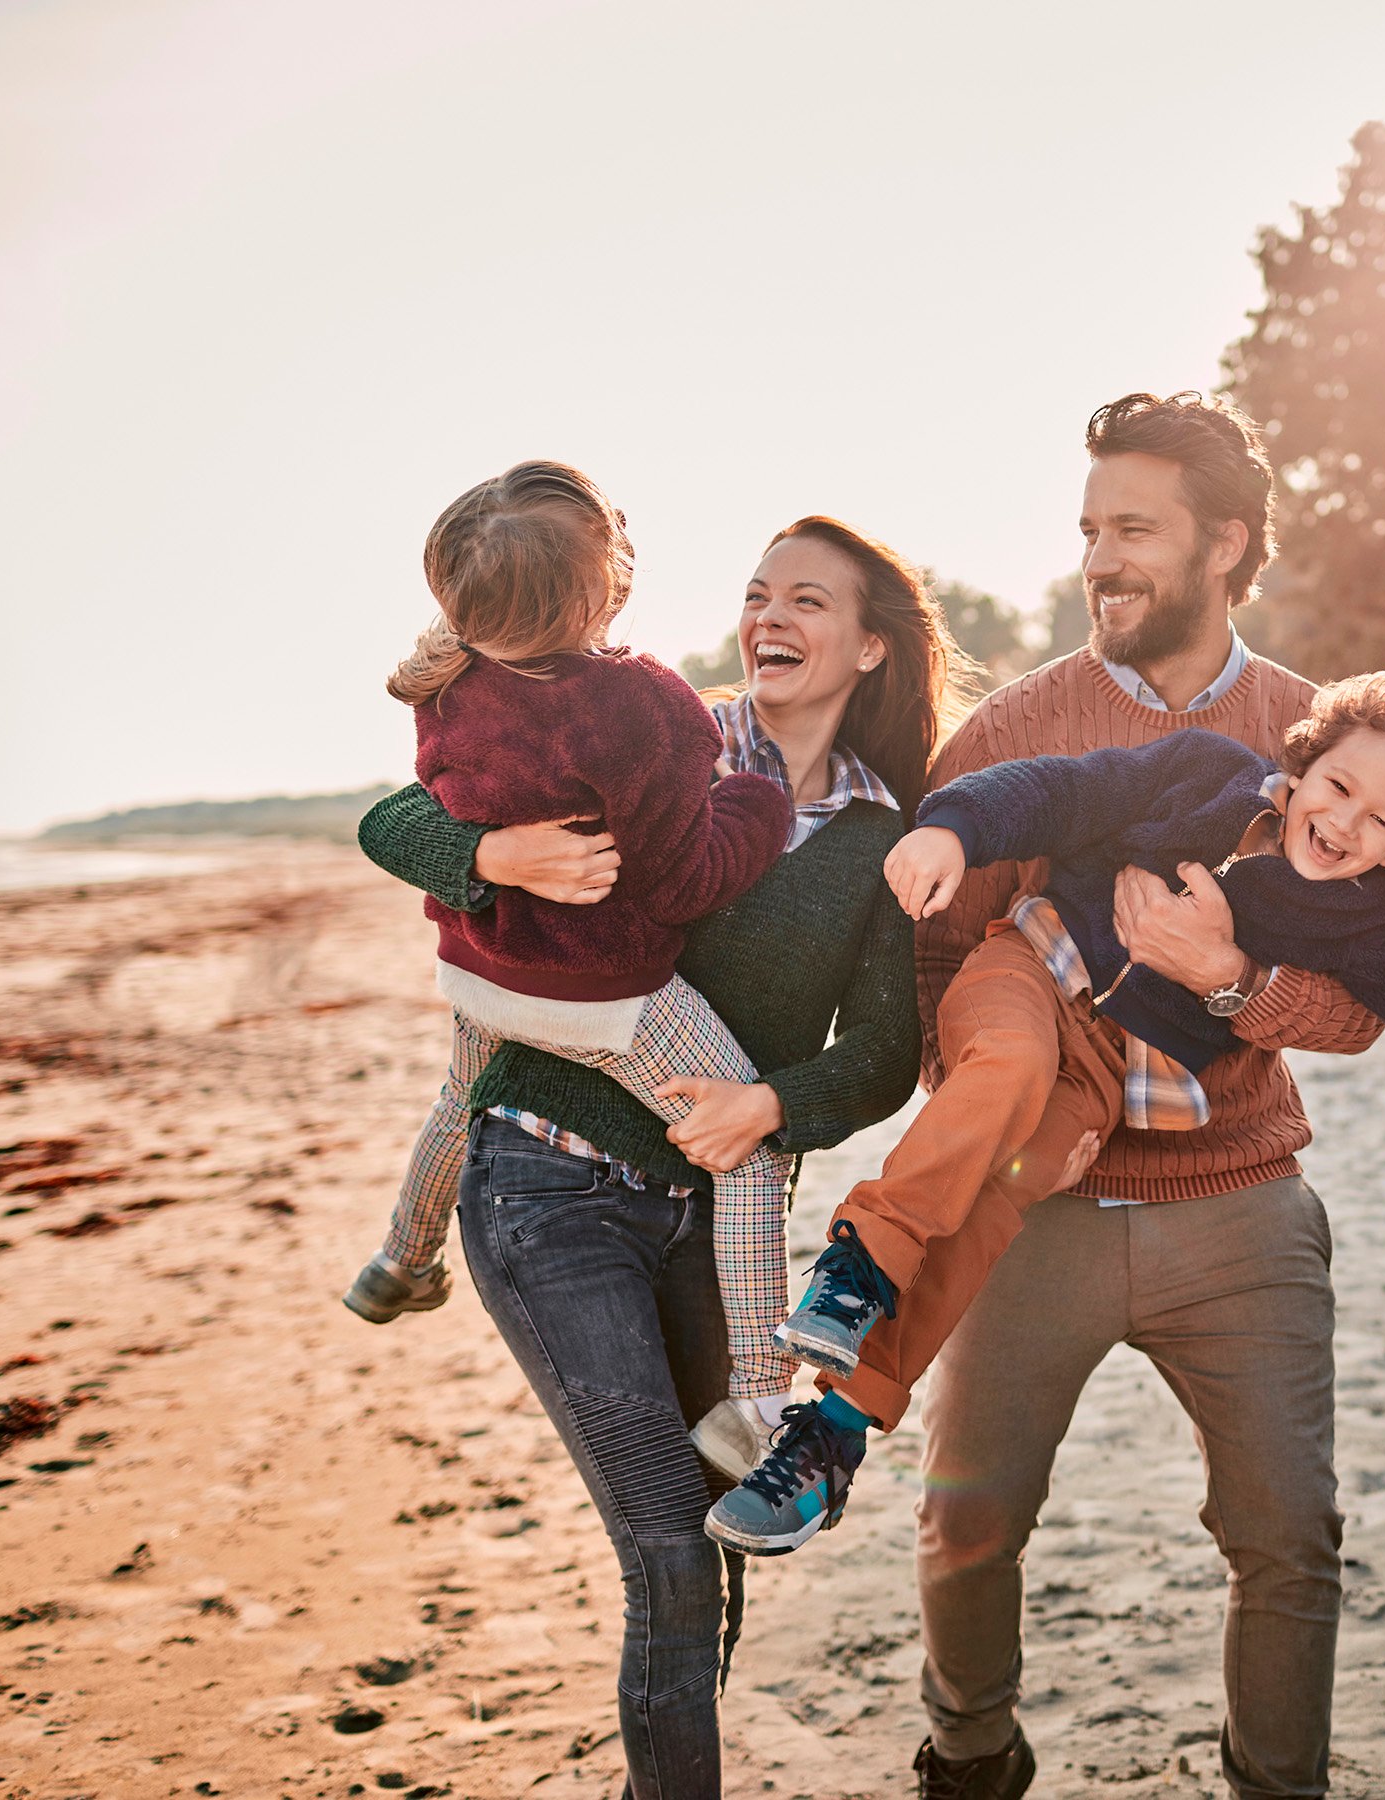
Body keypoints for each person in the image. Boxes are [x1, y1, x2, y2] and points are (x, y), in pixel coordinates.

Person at [703, 673, 1385, 1558]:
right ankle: (859, 1263)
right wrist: (951, 826)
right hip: (1032, 970)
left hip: (1111, 1077)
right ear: (1304, 764)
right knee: (1005, 1069)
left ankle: (834, 1431)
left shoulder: (1366, 921)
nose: (1345, 825)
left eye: (1383, 826)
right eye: (1339, 788)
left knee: (992, 1207)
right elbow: (1058, 792)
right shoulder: (1202, 769)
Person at [354, 514, 952, 1799]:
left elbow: (884, 1057)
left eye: (808, 601)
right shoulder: (641, 727)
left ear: (872, 650)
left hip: (718, 1226)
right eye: (757, 593)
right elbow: (401, 810)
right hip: (547, 1184)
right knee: (669, 1550)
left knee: (714, 1549)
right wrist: (485, 857)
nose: (769, 618)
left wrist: (768, 1108)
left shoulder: (882, 838)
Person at [874, 390, 1385, 1800]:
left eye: (1136, 530)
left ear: (1228, 543)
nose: (1102, 558)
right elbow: (934, 951)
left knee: (1290, 1533)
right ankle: (972, 1756)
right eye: (1091, 529)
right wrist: (1002, 1107)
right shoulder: (1013, 732)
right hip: (1033, 1215)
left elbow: (1363, 1004)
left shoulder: (1320, 742)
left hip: (1243, 1212)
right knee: (967, 1524)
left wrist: (1233, 990)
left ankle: (1276, 1783)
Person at [345, 463, 804, 1463]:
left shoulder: (444, 678)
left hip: (479, 974)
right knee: (750, 1148)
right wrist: (758, 801)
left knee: (459, 1100)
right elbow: (684, 882)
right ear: (602, 591)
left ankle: (401, 1259)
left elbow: (423, 804)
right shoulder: (643, 704)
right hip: (606, 1002)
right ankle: (759, 1400)